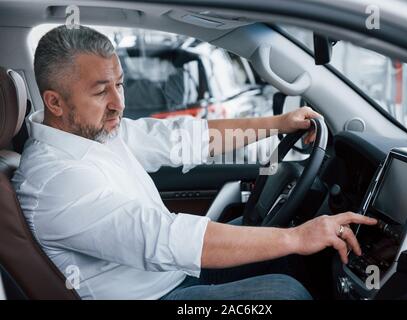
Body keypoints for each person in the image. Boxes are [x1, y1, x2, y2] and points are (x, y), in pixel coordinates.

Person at [12, 25, 377, 300]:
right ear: (55, 103)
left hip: (169, 276)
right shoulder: (55, 180)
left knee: (287, 258)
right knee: (286, 294)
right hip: (156, 296)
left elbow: (183, 140)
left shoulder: (93, 134)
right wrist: (297, 237)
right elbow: (163, 238)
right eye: (99, 91)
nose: (119, 103)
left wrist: (276, 124)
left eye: (119, 85)